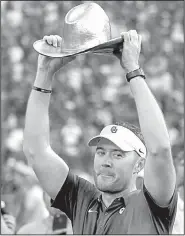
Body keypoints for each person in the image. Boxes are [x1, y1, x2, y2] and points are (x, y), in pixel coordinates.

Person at [23, 30, 177, 234]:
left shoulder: (153, 204)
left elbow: (160, 149)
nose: (105, 161)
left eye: (118, 154)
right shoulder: (81, 198)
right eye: (101, 152)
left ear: (139, 164)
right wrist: (44, 74)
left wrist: (133, 69)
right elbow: (36, 151)